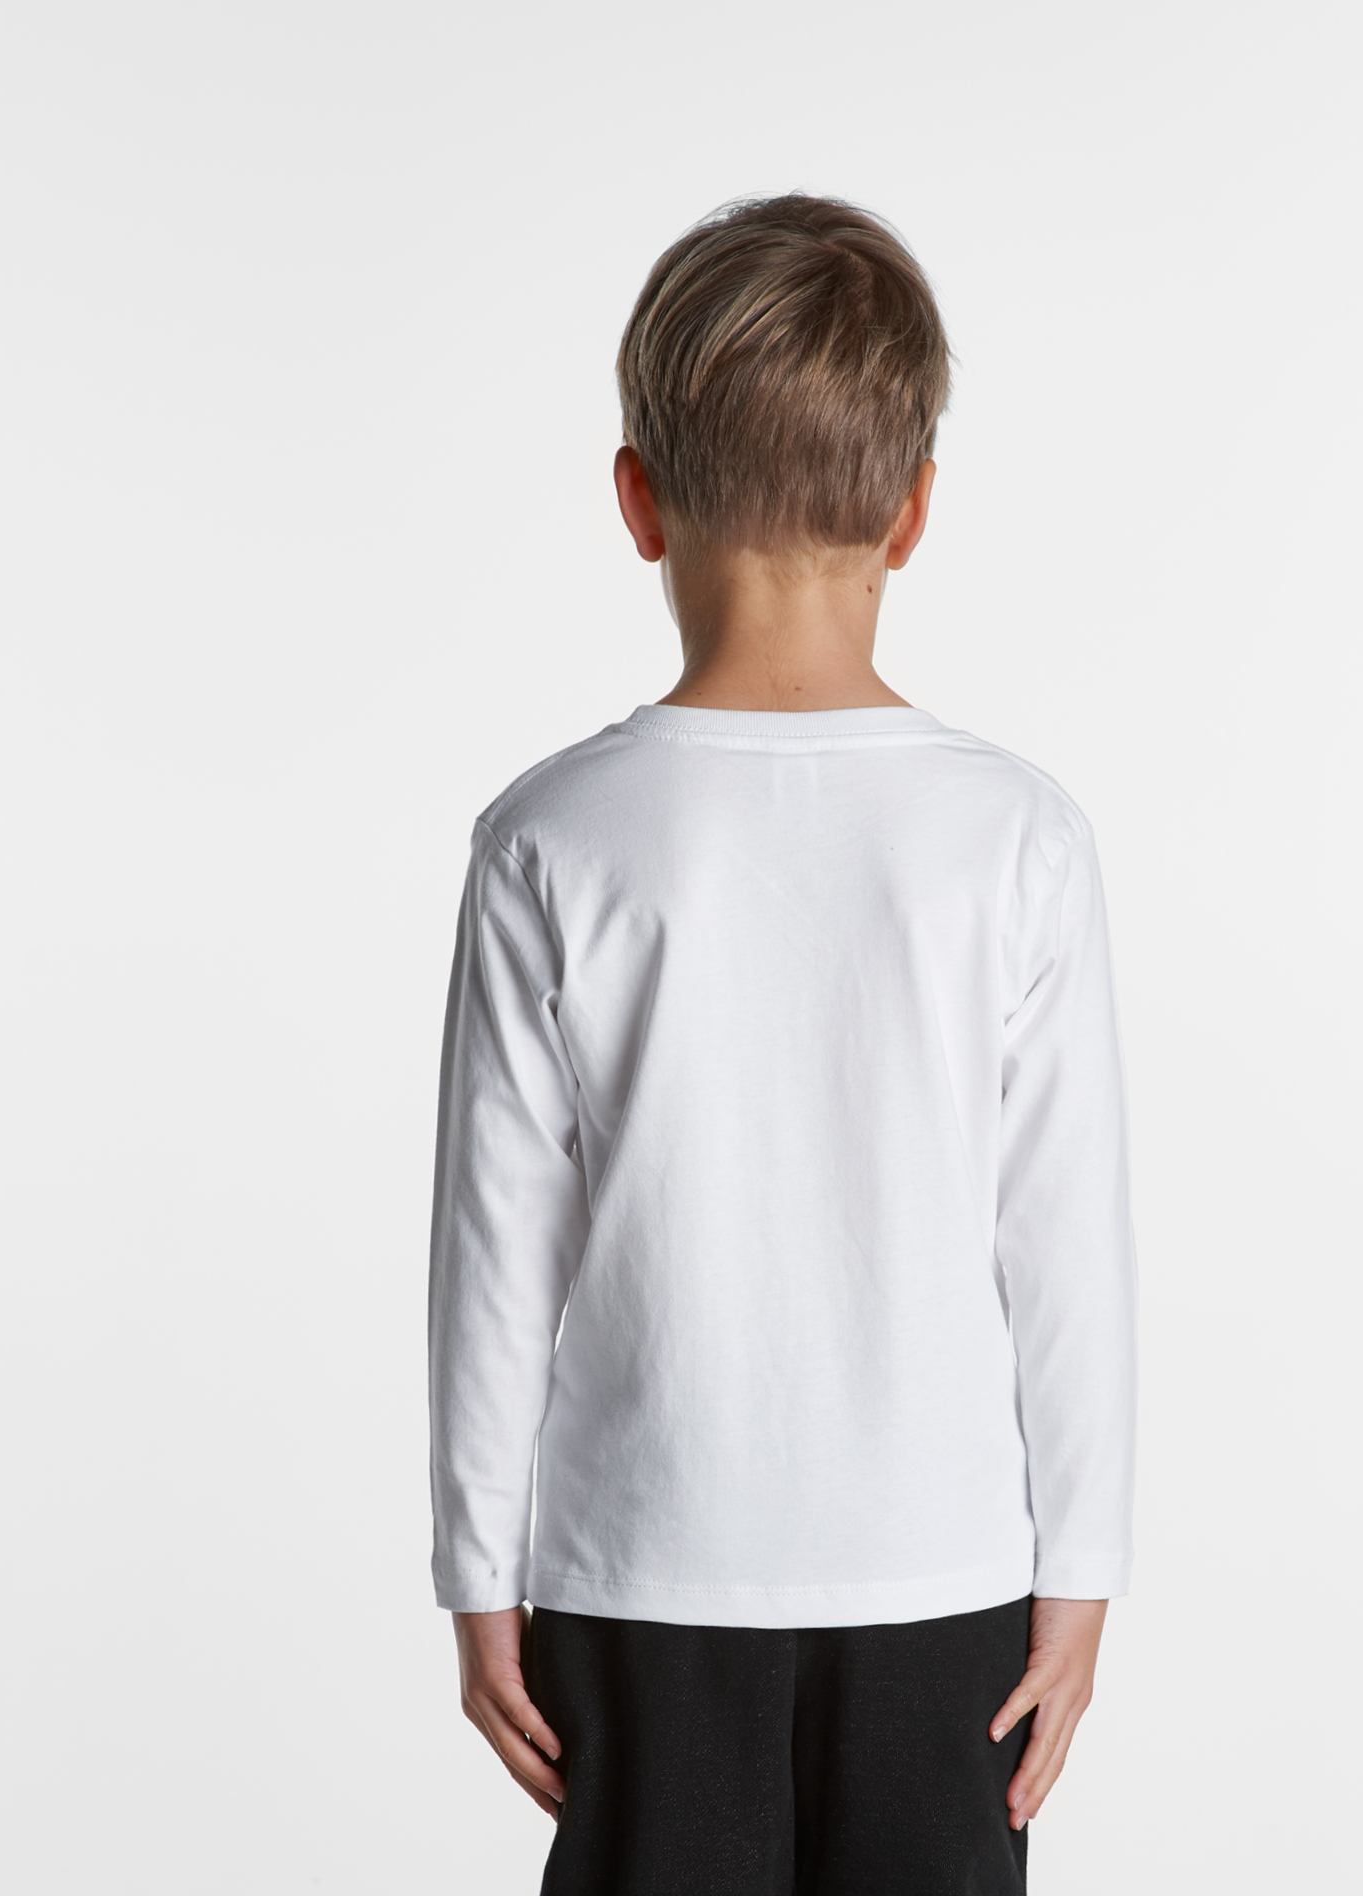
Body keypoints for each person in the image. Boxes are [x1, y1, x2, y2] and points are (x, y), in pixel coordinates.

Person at [429, 193, 1137, 1894]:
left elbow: (494, 1247)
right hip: (945, 1575)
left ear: (637, 500)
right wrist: (1084, 1566)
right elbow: (1066, 1238)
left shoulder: (551, 839)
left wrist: (475, 1569)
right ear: (914, 512)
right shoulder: (1018, 838)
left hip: (638, 1570)